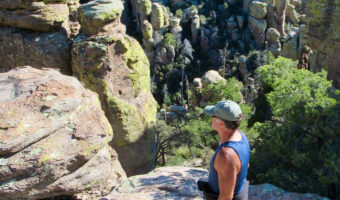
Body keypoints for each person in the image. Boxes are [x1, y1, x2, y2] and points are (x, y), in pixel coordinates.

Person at [198, 100, 250, 200]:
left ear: (221, 123)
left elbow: (226, 197)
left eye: (213, 116)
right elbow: (246, 165)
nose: (211, 118)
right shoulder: (241, 136)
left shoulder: (226, 155)